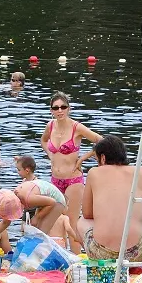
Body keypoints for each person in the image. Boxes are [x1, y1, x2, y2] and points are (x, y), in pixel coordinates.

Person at [80, 135, 142, 261]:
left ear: (103, 158)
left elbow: (87, 214)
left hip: (100, 252)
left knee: (82, 221)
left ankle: (98, 262)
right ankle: (141, 262)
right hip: (136, 252)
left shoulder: (94, 173)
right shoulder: (141, 171)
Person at [40, 92, 101, 245]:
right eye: (56, 108)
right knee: (57, 220)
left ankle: (77, 261)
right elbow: (44, 140)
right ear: (51, 110)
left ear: (68, 109)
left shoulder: (77, 127)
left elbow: (100, 141)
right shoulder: (50, 125)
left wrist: (82, 158)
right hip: (55, 180)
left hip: (73, 180)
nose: (59, 110)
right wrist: (50, 155)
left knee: (71, 222)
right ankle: (62, 257)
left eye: (63, 107)